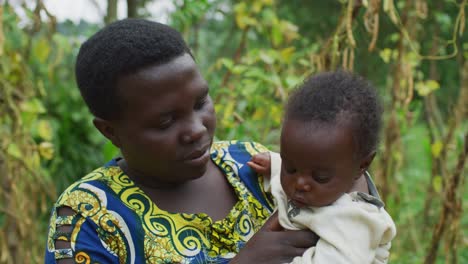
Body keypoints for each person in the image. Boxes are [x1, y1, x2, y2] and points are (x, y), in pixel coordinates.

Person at [44, 19, 371, 263]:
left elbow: (355, 197)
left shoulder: (252, 165)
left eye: (201, 103)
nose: (197, 130)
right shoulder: (87, 219)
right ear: (109, 131)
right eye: (165, 121)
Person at [248, 71, 397, 263]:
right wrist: (275, 164)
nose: (300, 184)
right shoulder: (327, 179)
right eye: (291, 168)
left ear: (362, 165)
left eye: (320, 177)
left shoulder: (354, 223)